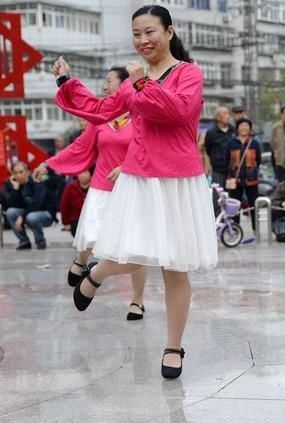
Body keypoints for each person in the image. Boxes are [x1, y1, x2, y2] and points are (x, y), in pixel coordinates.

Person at [52, 5, 218, 379]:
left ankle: (174, 346)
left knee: (175, 267)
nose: (143, 41)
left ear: (169, 32)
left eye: (150, 32)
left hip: (179, 179)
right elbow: (100, 109)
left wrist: (143, 83)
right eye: (137, 34)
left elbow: (176, 112)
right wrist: (67, 84)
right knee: (132, 253)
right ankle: (96, 275)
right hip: (140, 177)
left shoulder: (188, 73)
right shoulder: (130, 83)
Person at [34, 66, 150, 321]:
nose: (105, 86)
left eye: (109, 81)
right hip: (101, 189)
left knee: (135, 248)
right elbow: (80, 148)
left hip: (132, 190)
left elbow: (149, 147)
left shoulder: (140, 113)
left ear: (124, 85)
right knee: (92, 239)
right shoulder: (102, 119)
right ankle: (83, 259)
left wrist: (127, 166)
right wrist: (49, 164)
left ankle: (137, 301)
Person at [1, 161, 55, 250]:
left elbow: (36, 204)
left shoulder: (36, 183)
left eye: (21, 172)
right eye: (15, 173)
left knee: (31, 216)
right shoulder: (14, 185)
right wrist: (16, 190)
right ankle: (24, 241)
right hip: (28, 213)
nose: (18, 175)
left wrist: (22, 216)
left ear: (28, 172)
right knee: (11, 212)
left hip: (45, 213)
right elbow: (9, 205)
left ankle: (40, 241)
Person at [225, 117, 261, 231]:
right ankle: (235, 230)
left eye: (246, 126)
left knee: (253, 205)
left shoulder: (255, 143)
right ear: (237, 128)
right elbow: (227, 160)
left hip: (252, 179)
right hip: (236, 180)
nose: (244, 128)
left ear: (250, 128)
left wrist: (252, 170)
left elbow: (258, 160)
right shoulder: (231, 143)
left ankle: (256, 230)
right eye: (241, 126)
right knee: (235, 206)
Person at [202, 106, 235, 187]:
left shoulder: (234, 131)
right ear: (218, 117)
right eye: (224, 114)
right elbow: (208, 150)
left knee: (232, 197)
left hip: (233, 170)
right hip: (218, 170)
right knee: (218, 195)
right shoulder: (211, 133)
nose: (227, 116)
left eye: (228, 113)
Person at [59, 170, 91, 237]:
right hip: (75, 219)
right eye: (80, 173)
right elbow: (64, 205)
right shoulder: (70, 187)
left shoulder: (95, 187)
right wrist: (65, 223)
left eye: (85, 172)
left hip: (91, 218)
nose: (82, 175)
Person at [271, 105, 285, 182]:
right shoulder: (276, 127)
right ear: (282, 115)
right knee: (282, 185)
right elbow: (272, 144)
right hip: (280, 161)